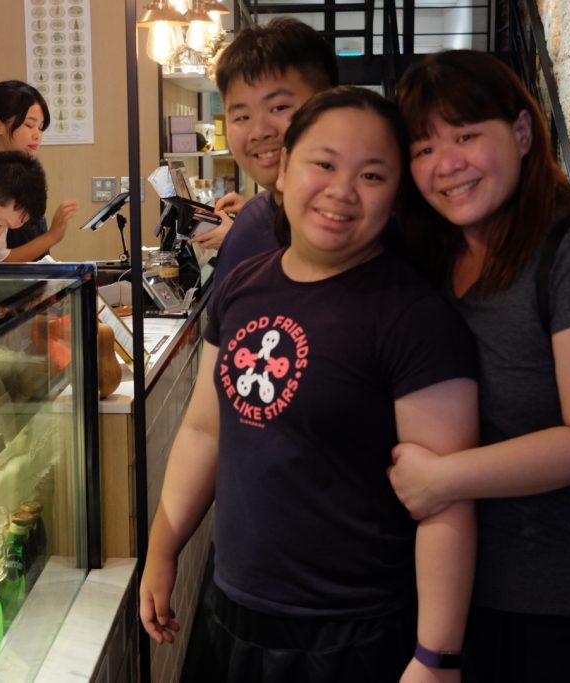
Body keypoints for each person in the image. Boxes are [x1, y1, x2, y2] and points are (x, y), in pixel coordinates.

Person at [140, 87, 480, 682]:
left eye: (372, 175)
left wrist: (436, 656)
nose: (342, 190)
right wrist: (162, 548)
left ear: (396, 195)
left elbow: (445, 502)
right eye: (323, 163)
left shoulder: (415, 318)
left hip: (352, 633)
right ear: (284, 168)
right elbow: (204, 430)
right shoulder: (242, 285)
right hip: (232, 607)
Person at [389, 50, 570, 683]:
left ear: (522, 132)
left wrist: (442, 479)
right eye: (423, 148)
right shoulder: (439, 255)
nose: (446, 164)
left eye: (466, 135)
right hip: (470, 599)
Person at [202, 17, 337, 292]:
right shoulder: (250, 221)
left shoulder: (365, 224)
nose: (259, 132)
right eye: (242, 116)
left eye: (279, 107)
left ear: (331, 104)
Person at [0, 80, 77, 261]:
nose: (37, 135)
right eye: (29, 125)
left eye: (40, 127)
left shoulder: (22, 174)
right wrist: (52, 236)